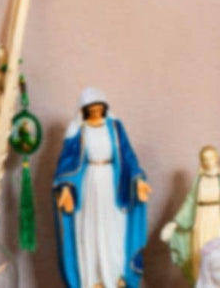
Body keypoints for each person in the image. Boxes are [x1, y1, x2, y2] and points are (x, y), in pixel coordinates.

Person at [53, 88, 150, 288]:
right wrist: (66, 188)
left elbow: (128, 156)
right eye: (92, 109)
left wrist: (138, 179)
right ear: (85, 110)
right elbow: (67, 162)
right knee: (90, 230)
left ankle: (115, 277)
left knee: (114, 230)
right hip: (88, 184)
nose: (96, 112)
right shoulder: (78, 131)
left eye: (99, 108)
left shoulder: (114, 127)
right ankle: (93, 279)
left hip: (113, 185)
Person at [160, 146, 220, 284]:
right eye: (204, 159)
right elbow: (189, 204)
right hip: (201, 221)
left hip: (218, 221)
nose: (208, 161)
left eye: (211, 158)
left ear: (217, 159)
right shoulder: (199, 181)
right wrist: (174, 224)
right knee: (199, 255)